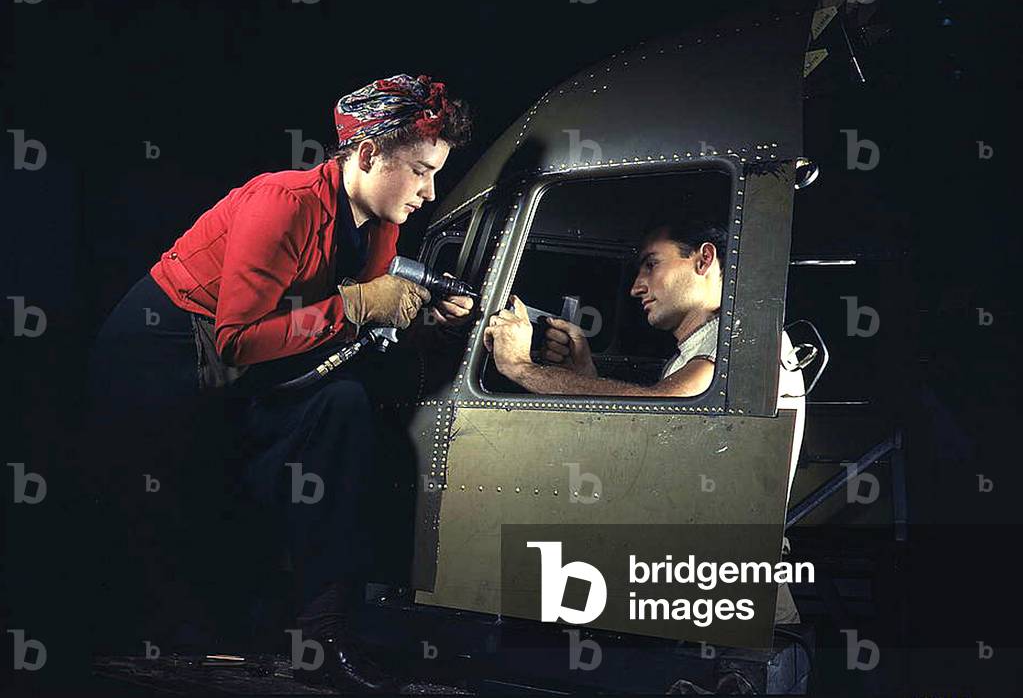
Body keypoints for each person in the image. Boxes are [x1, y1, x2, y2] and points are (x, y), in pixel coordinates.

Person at [88, 74, 475, 691]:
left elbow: (348, 324)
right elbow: (237, 339)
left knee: (341, 408)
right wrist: (355, 306)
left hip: (245, 357)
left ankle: (322, 638)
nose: (430, 192)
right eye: (422, 171)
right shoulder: (283, 200)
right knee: (173, 505)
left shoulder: (381, 224)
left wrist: (422, 316)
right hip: (163, 346)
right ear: (370, 154)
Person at [484, 217, 805, 624]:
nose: (636, 286)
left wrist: (521, 368)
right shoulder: (703, 346)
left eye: (651, 264)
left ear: (704, 259)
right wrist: (584, 375)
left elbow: (665, 409)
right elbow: (662, 440)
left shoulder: (743, 334)